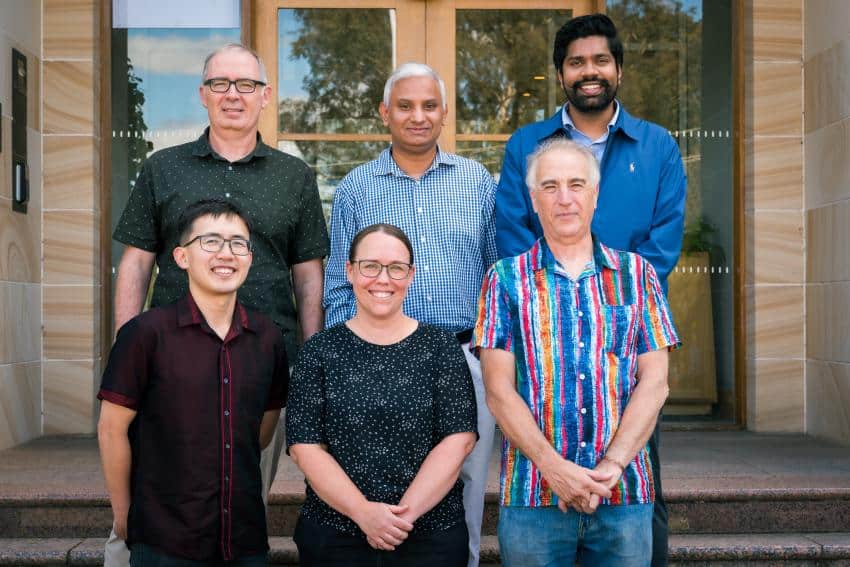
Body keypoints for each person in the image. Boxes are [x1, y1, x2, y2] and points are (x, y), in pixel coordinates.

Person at [109, 43, 328, 564]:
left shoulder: (294, 176)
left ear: (266, 97)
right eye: (221, 84)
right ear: (203, 95)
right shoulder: (162, 168)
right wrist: (126, 349)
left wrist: (311, 356)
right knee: (159, 499)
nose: (234, 95)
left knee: (243, 491)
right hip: (170, 366)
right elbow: (136, 263)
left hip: (264, 365)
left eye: (246, 85)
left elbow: (309, 276)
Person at [494, 14, 687, 564]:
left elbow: (663, 242)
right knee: (543, 451)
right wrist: (559, 298)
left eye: (600, 60)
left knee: (640, 491)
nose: (590, 72)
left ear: (619, 69)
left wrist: (602, 297)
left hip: (624, 338)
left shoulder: (657, 147)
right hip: (541, 337)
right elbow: (513, 234)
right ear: (561, 75)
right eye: (576, 62)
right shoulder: (527, 144)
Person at [322, 63, 498, 566]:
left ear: (444, 113)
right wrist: (346, 359)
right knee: (373, 476)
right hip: (372, 356)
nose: (417, 116)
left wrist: (488, 354)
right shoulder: (356, 186)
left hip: (463, 357)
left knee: (463, 485)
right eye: (405, 105)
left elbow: (494, 275)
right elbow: (339, 281)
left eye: (429, 106)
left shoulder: (477, 182)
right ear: (385, 113)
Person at [474, 139, 680, 567]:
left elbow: (655, 383)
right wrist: (554, 469)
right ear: (533, 199)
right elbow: (497, 391)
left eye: (575, 184)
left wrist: (613, 465)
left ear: (595, 192)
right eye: (550, 186)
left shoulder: (637, 275)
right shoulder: (505, 280)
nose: (564, 198)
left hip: (623, 493)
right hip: (534, 497)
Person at [98, 199, 289, 565]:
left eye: (238, 243)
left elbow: (262, 432)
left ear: (250, 257)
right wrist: (124, 514)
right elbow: (111, 429)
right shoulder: (145, 334)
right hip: (165, 541)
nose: (226, 253)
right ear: (181, 257)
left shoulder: (268, 338)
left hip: (245, 541)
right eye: (211, 242)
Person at [288, 223, 478, 566]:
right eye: (370, 266)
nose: (383, 279)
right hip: (336, 535)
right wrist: (363, 513)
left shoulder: (441, 348)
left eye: (396, 268)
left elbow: (458, 440)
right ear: (349, 270)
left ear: (411, 274)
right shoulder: (318, 351)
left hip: (429, 534)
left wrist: (399, 519)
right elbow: (305, 446)